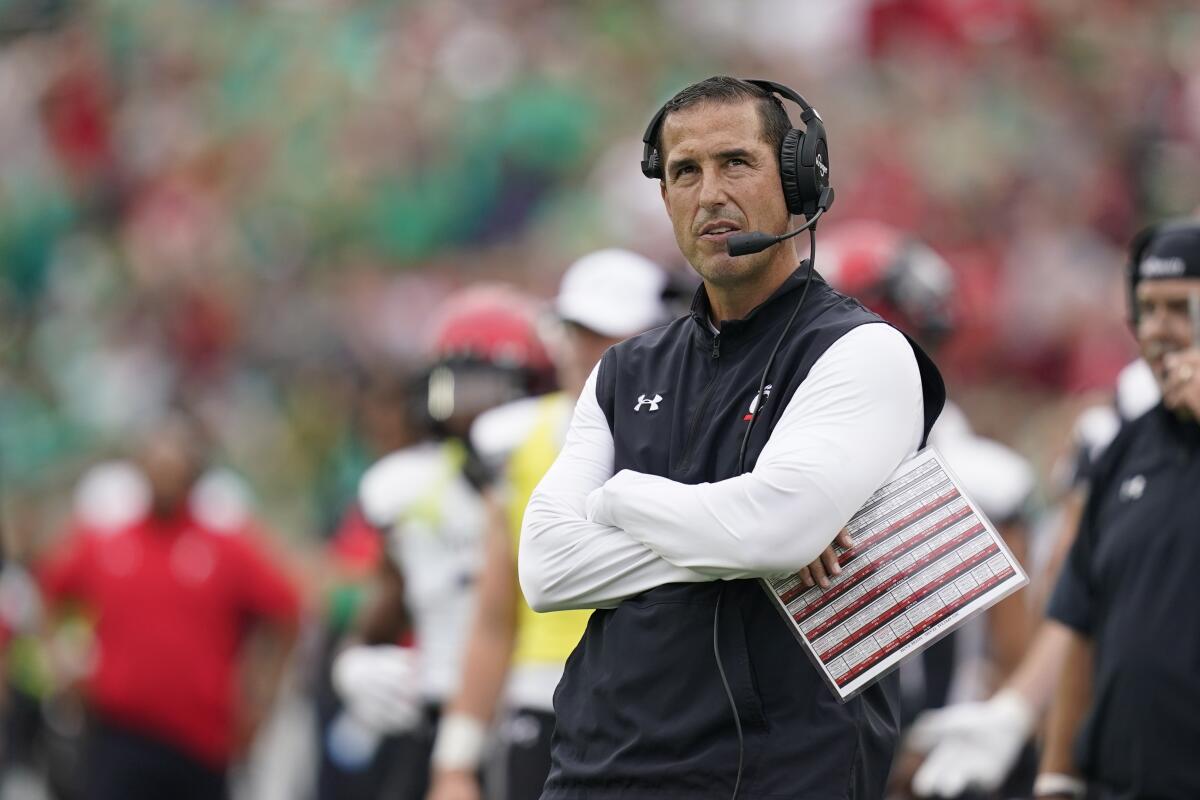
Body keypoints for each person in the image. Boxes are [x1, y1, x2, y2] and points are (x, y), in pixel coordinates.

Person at [518, 76, 945, 799]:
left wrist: (620, 500)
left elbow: (774, 532)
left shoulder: (863, 352)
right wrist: (744, 544)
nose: (709, 192)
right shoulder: (624, 369)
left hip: (781, 775)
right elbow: (547, 568)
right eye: (686, 171)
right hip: (599, 769)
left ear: (797, 179)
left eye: (735, 163)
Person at [425, 249, 670, 800]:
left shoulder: (691, 436)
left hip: (656, 707)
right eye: (577, 331)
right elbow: (494, 615)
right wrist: (455, 763)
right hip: (542, 703)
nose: (587, 352)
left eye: (608, 333)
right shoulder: (513, 442)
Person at [333, 286, 555, 800]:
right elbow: (381, 610)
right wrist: (351, 664)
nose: (474, 413)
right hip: (436, 723)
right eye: (456, 392)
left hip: (537, 716)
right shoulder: (410, 489)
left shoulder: (558, 476)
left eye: (491, 392)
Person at [35, 414, 301, 800]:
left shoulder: (226, 547)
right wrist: (64, 668)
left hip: (202, 741)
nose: (164, 474)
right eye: (156, 463)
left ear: (194, 473)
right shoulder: (107, 543)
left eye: (174, 464)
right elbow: (49, 592)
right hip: (120, 734)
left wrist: (262, 700)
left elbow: (286, 609)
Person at [1028, 219, 1200, 800]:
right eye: (1146, 310)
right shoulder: (1124, 447)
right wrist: (1054, 779)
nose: (1157, 330)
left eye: (1180, 306)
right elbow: (1080, 625)